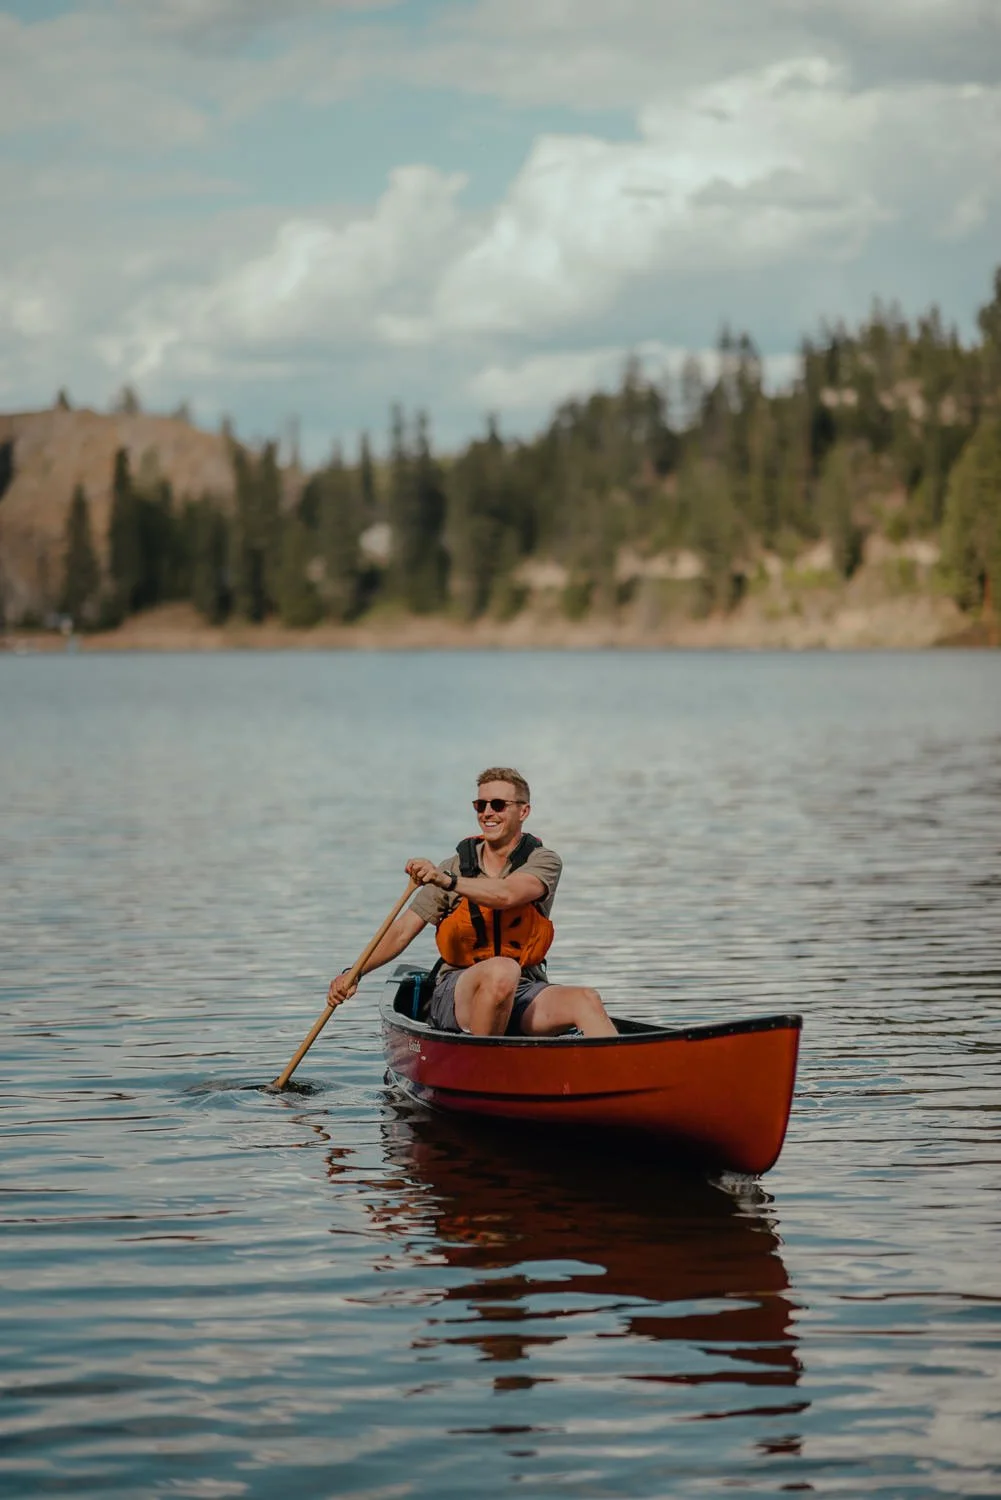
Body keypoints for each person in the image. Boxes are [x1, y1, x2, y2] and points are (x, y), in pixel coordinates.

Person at [326, 767, 618, 1038]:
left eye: (499, 805)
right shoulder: (453, 866)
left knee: (586, 999)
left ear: (523, 811)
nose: (488, 813)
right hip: (456, 992)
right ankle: (487, 1071)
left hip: (522, 988)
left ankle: (620, 1082)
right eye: (481, 805)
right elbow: (402, 931)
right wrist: (353, 973)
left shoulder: (542, 861)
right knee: (501, 970)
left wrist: (448, 882)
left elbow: (507, 895)